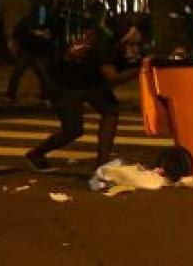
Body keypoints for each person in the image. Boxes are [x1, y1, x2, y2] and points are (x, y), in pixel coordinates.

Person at [25, 14, 137, 172]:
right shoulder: (103, 45)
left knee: (110, 111)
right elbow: (112, 78)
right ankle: (36, 154)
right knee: (73, 130)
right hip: (66, 85)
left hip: (89, 81)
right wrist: (140, 70)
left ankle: (102, 162)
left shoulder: (107, 40)